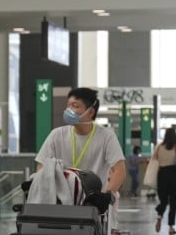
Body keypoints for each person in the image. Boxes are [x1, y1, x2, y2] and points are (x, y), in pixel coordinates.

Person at [36, 87, 125, 217]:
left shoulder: (106, 136)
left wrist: (106, 196)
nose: (68, 110)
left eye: (75, 105)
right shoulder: (57, 135)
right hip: (62, 203)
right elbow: (42, 166)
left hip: (94, 205)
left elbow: (119, 171)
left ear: (90, 112)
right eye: (68, 105)